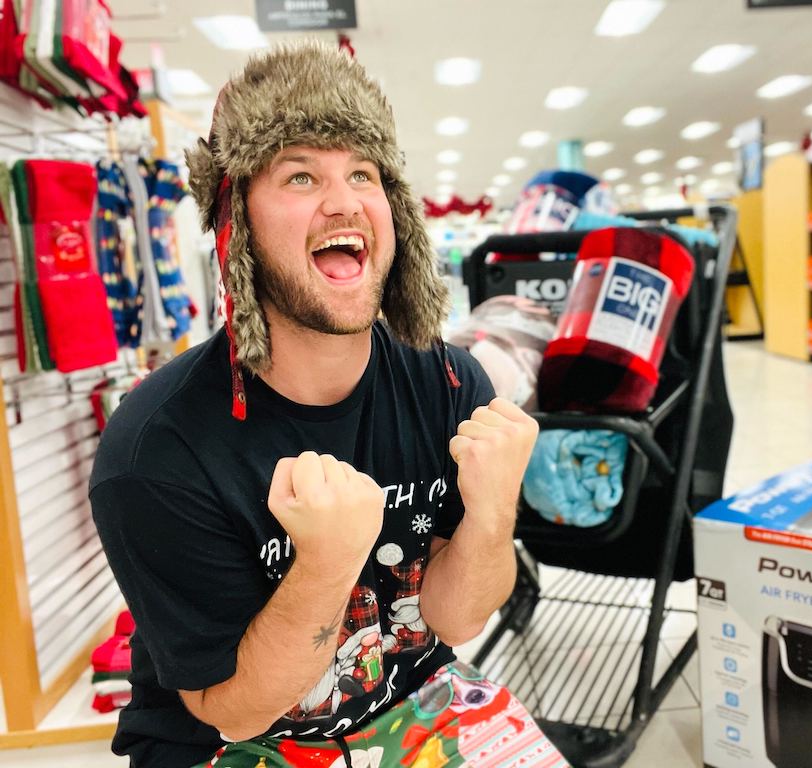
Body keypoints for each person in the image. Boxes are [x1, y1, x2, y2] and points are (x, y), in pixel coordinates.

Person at [90, 41, 566, 768]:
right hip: (230, 743)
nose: (344, 201)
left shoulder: (449, 385)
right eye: (302, 174)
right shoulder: (155, 451)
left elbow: (458, 615)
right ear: (237, 223)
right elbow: (237, 708)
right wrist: (324, 563)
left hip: (412, 710)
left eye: (364, 174)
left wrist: (497, 507)